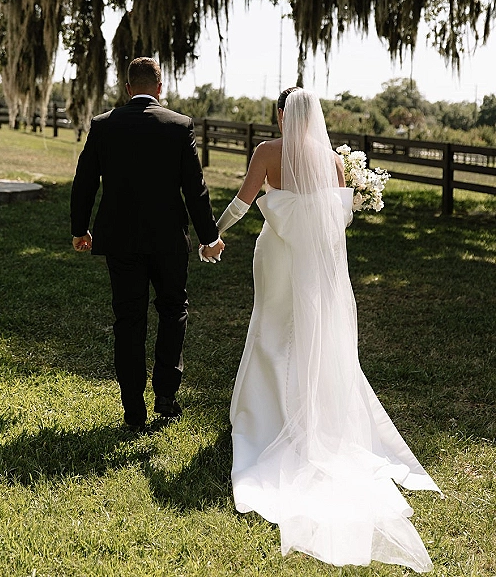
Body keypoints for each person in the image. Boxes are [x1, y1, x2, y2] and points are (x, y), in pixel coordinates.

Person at [216, 87, 441, 572]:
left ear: (280, 115)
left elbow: (242, 202)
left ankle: (263, 417)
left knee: (272, 329)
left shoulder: (266, 153)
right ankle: (301, 411)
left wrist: (214, 234)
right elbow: (337, 222)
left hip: (276, 260)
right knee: (308, 333)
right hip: (316, 267)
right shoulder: (333, 162)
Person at [70, 57, 224, 430]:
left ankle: (132, 409)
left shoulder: (104, 125)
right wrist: (209, 238)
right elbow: (195, 189)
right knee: (173, 310)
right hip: (168, 240)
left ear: (127, 88)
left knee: (129, 319)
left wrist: (80, 229)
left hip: (120, 241)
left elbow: (85, 180)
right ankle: (166, 396)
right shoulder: (178, 125)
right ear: (160, 88)